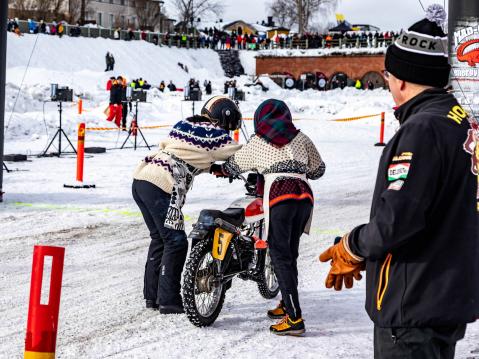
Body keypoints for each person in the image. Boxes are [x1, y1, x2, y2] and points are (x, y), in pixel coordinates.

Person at [319, 5, 479, 358]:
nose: (388, 83)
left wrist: (353, 245)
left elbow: (397, 221)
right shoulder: (459, 122)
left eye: (388, 75)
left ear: (402, 78)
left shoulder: (422, 129)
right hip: (442, 297)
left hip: (413, 308)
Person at [212, 99, 326, 336]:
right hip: (304, 197)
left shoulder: (258, 140)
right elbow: (318, 170)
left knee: (279, 255)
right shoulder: (301, 138)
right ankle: (287, 303)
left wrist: (219, 170)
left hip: (279, 197)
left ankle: (294, 319)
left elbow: (233, 166)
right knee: (289, 254)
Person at [132, 96, 243, 314]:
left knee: (160, 239)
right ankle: (169, 300)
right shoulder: (214, 133)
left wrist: (212, 168)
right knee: (176, 241)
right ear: (223, 118)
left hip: (142, 179)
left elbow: (185, 153)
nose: (227, 133)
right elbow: (240, 154)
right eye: (228, 128)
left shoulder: (186, 124)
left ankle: (152, 296)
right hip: (161, 185)